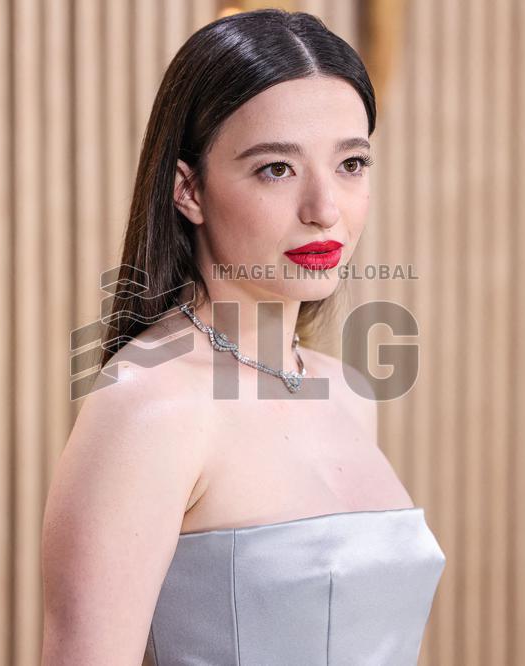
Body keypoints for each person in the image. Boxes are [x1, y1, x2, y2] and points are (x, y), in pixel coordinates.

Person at [41, 8, 444, 665]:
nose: (324, 209)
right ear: (189, 190)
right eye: (276, 170)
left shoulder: (346, 391)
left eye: (350, 164)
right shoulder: (149, 408)